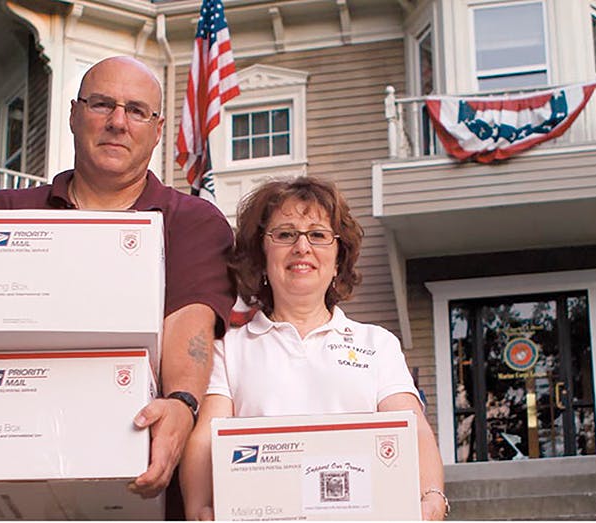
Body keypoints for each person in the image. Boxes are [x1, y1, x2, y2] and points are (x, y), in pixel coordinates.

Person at [0, 56, 236, 516]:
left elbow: (190, 328)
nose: (117, 122)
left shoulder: (192, 222)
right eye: (101, 104)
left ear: (159, 128)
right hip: (2, 490)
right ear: (72, 114)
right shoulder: (5, 214)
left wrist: (182, 403)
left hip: (132, 494)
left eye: (136, 110)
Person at [179, 177, 448, 520]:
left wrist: (432, 497)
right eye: (285, 234)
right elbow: (206, 437)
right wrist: (199, 508)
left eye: (318, 235)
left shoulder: (377, 344)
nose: (302, 247)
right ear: (261, 257)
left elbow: (413, 428)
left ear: (338, 261)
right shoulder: (228, 349)